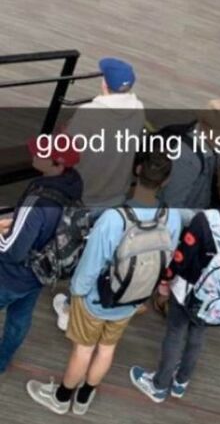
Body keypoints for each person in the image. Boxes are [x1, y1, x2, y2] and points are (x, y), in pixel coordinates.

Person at [27, 152, 181, 415]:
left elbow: (91, 264)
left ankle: (62, 398)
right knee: (107, 349)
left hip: (98, 299)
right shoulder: (172, 218)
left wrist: (77, 294)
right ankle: (84, 398)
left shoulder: (115, 218)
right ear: (165, 181)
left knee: (83, 349)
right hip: (131, 298)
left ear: (137, 170)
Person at [130, 160, 220, 401]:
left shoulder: (206, 220)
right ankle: (181, 381)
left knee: (175, 333)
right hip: (217, 294)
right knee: (198, 335)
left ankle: (159, 385)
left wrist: (164, 283)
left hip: (189, 288)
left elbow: (181, 257)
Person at [0, 136, 82, 375]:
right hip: (39, 272)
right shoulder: (71, 187)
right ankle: (2, 360)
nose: (35, 154)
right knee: (19, 320)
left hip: (10, 275)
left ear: (56, 163)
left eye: (41, 153)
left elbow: (14, 251)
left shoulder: (38, 201)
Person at [64, 57, 144, 208]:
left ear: (105, 83)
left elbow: (68, 151)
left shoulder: (88, 113)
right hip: (117, 195)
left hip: (83, 195)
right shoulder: (138, 110)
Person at [158, 100, 220, 211]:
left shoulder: (214, 143)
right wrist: (202, 219)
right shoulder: (185, 158)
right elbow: (172, 206)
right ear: (203, 127)